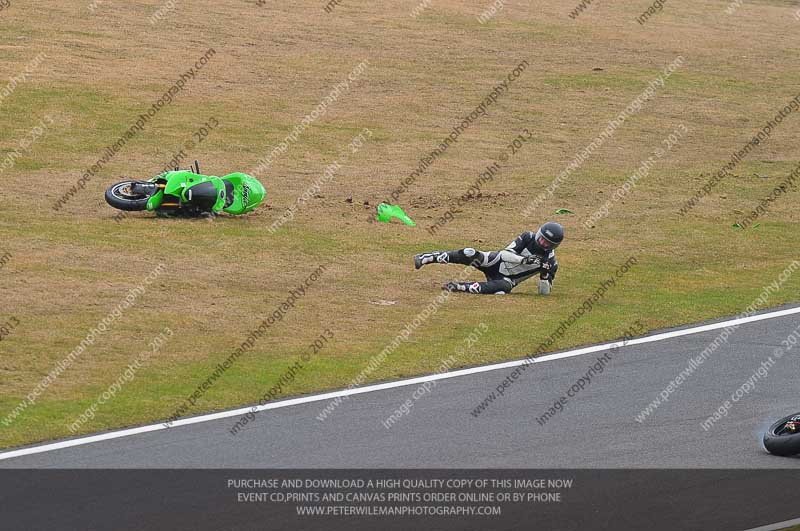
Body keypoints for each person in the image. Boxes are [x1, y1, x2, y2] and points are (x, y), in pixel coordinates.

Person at [413, 222, 563, 295]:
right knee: (470, 253)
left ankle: (459, 286)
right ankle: (427, 257)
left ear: (553, 246)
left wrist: (544, 275)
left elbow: (544, 293)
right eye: (542, 238)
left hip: (508, 279)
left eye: (547, 243)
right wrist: (524, 260)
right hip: (496, 261)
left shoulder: (551, 262)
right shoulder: (527, 237)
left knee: (503, 289)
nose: (542, 243)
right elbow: (505, 254)